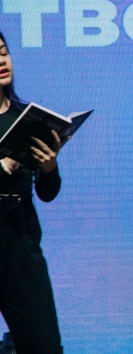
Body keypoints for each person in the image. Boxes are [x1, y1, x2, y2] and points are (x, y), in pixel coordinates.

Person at [0, 31, 65, 353]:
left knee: (44, 345)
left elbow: (47, 193)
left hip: (21, 241)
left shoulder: (24, 118)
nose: (2, 61)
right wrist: (4, 167)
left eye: (3, 52)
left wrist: (49, 166)